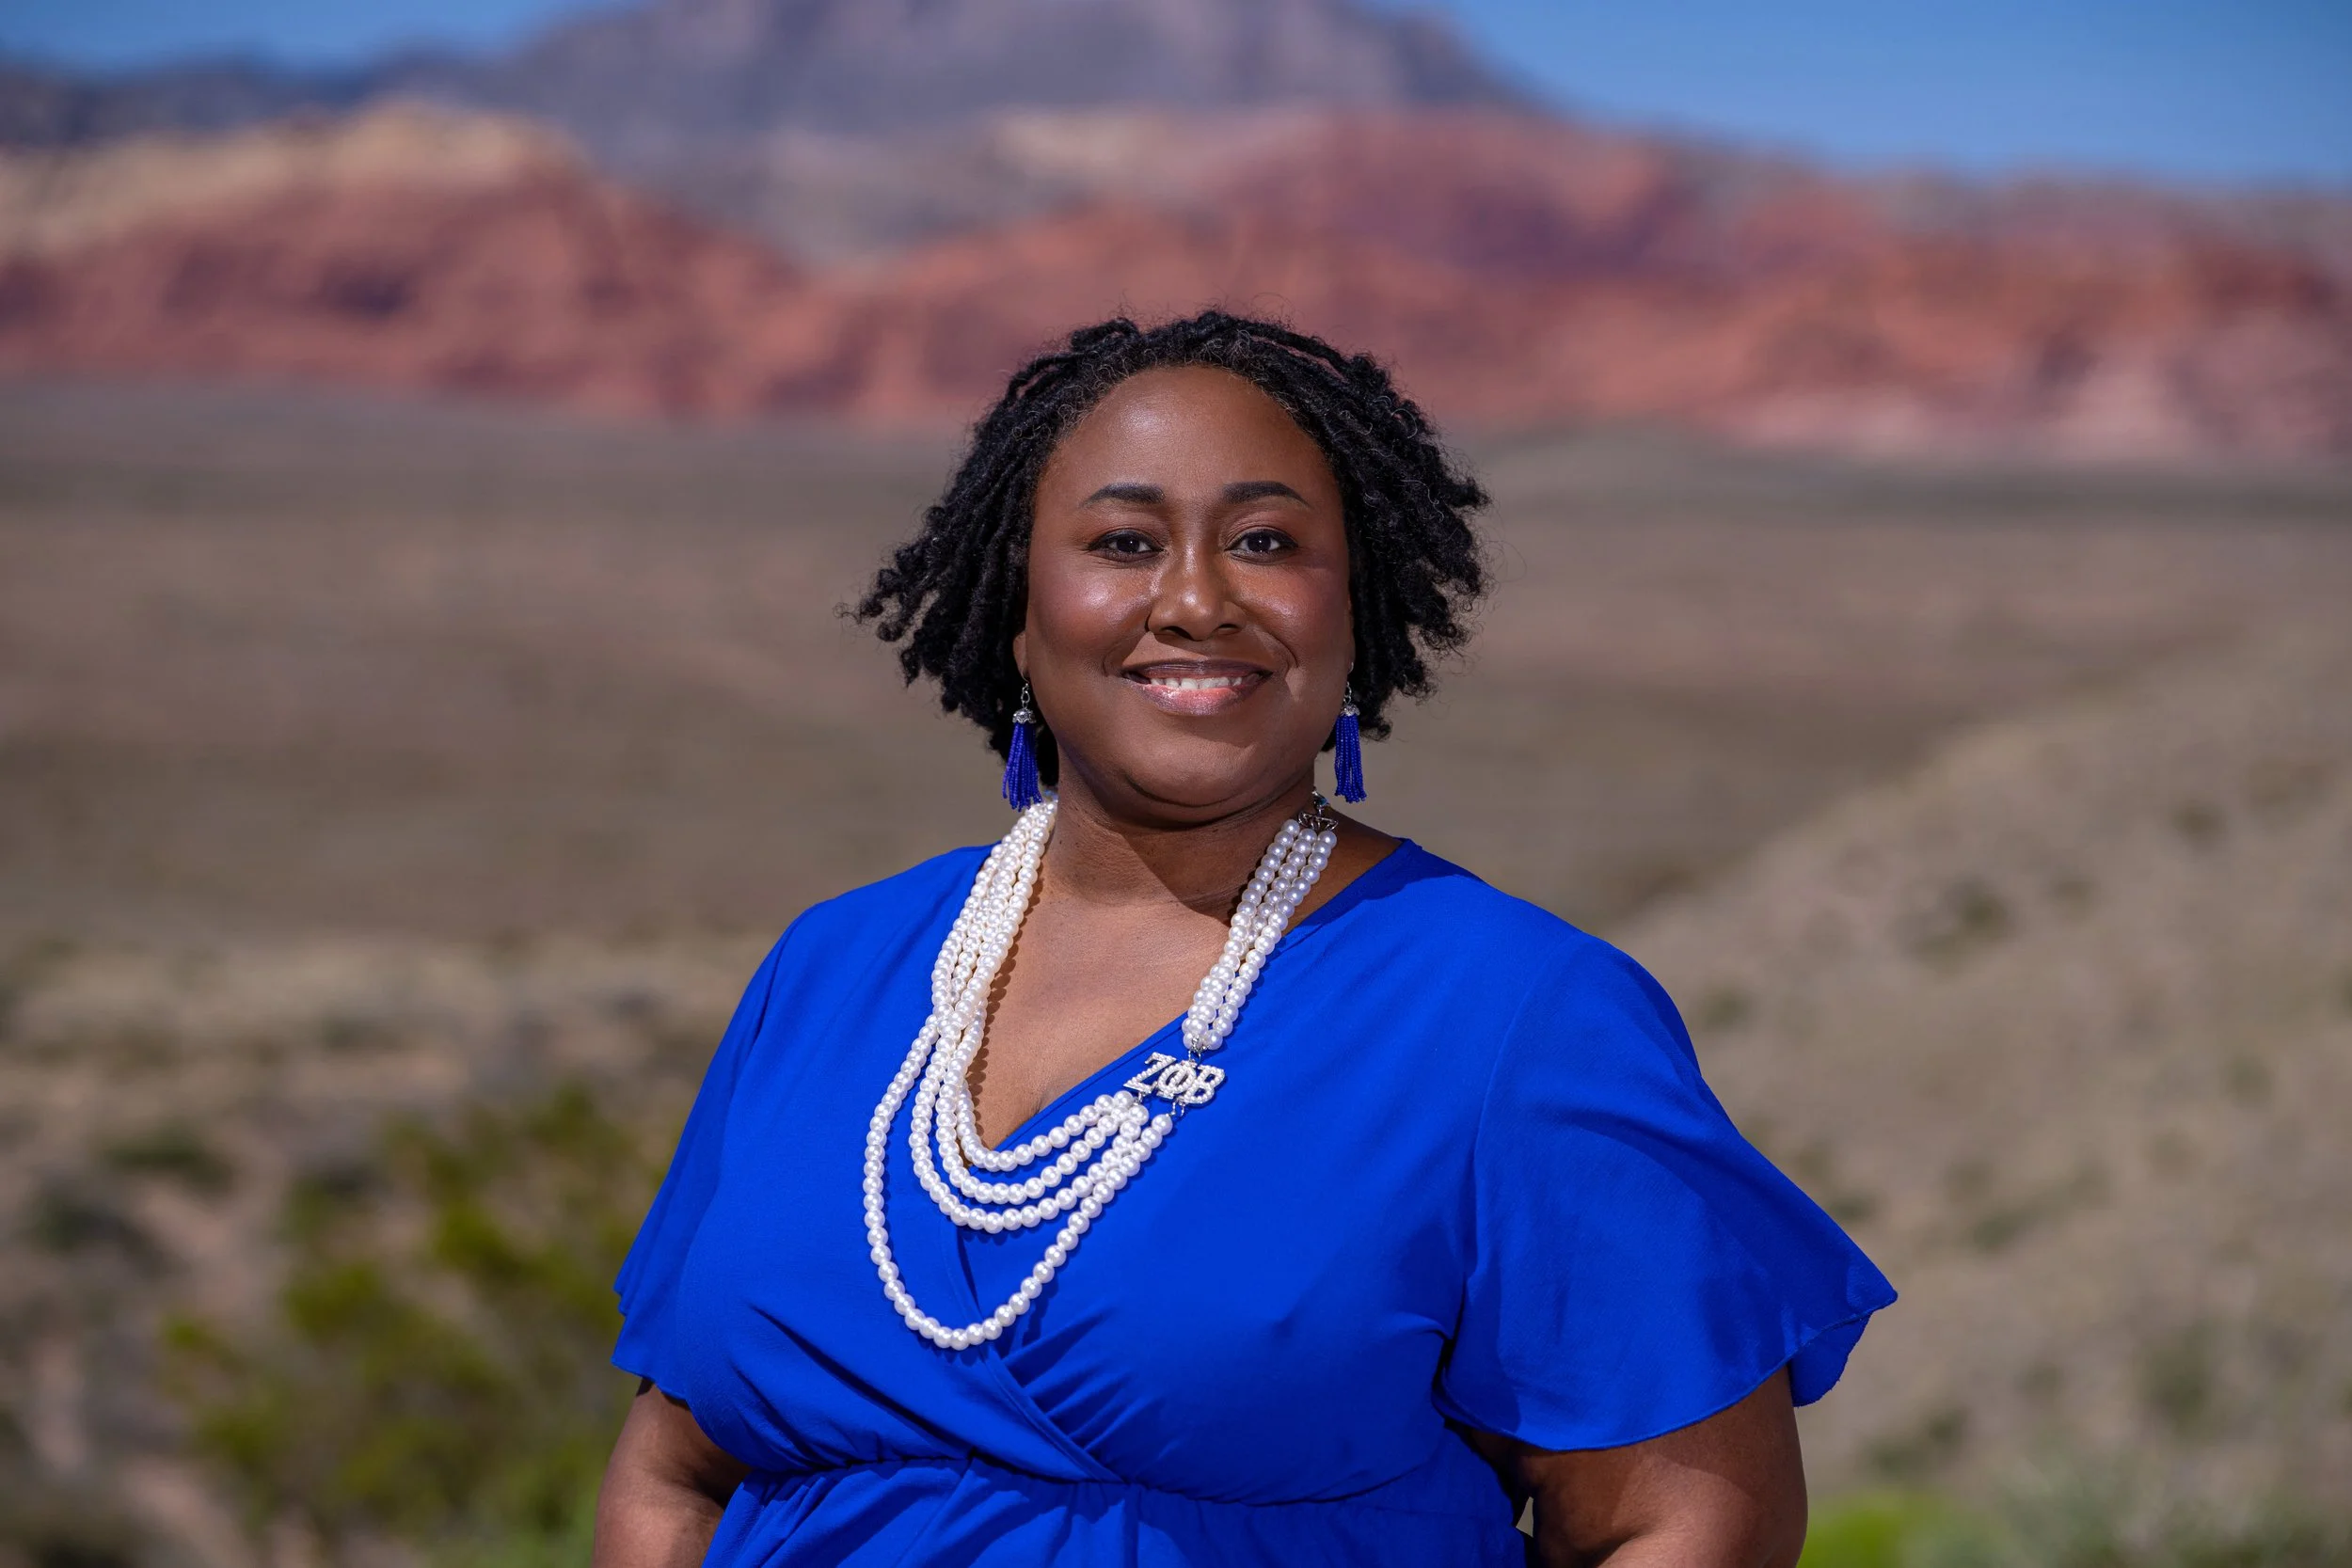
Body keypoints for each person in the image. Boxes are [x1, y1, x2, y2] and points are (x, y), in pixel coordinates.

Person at [592, 312, 1894, 1567]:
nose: (1200, 598)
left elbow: (1682, 1522)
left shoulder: (1512, 1016)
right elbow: (675, 1467)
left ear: (1352, 613)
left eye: (1267, 540)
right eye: (1124, 541)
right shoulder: (833, 973)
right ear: (1019, 612)